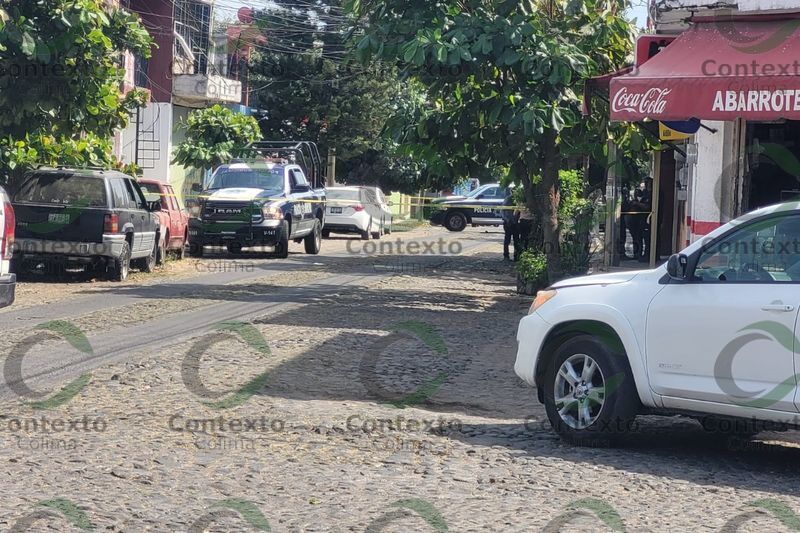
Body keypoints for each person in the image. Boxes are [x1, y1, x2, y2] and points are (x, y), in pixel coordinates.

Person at [501, 193, 520, 261]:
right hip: (508, 223)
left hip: (515, 223)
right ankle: (506, 256)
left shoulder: (519, 199)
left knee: (516, 241)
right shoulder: (507, 199)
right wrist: (507, 220)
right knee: (507, 240)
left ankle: (516, 256)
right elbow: (502, 211)